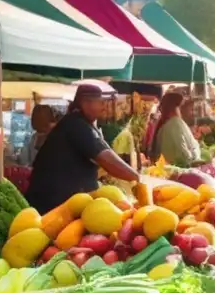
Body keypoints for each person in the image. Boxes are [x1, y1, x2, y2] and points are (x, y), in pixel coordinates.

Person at [24, 84, 140, 214]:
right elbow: (106, 159)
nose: (103, 107)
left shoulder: (78, 123)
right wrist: (137, 177)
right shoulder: (76, 125)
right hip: (52, 206)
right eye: (100, 102)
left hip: (59, 204)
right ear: (86, 103)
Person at [150, 92, 201, 166]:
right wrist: (195, 154)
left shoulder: (167, 125)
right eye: (181, 107)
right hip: (179, 171)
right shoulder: (175, 124)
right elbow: (184, 156)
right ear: (175, 108)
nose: (192, 112)